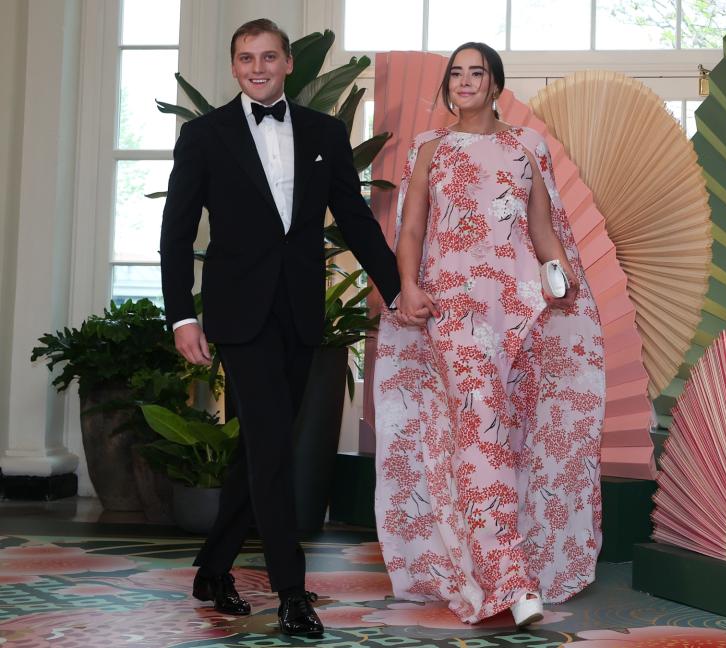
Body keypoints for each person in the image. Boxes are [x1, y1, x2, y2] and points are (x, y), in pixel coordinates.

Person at [159, 19, 408, 637]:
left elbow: (354, 217)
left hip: (300, 314)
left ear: (289, 63)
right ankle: (292, 592)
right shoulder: (204, 135)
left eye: (269, 57)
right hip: (237, 317)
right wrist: (181, 315)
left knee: (257, 450)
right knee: (273, 447)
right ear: (234, 65)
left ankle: (212, 569)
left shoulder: (325, 132)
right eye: (246, 58)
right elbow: (177, 232)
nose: (258, 67)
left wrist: (399, 289)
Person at [373, 42, 605, 627]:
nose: (466, 81)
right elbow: (412, 228)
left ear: (496, 83)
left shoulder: (527, 144)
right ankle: (511, 581)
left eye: (477, 72)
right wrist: (407, 285)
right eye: (457, 73)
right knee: (481, 426)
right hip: (452, 309)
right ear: (448, 86)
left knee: (512, 433)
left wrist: (559, 274)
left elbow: (543, 227)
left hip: (520, 309)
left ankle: (498, 562)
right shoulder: (429, 149)